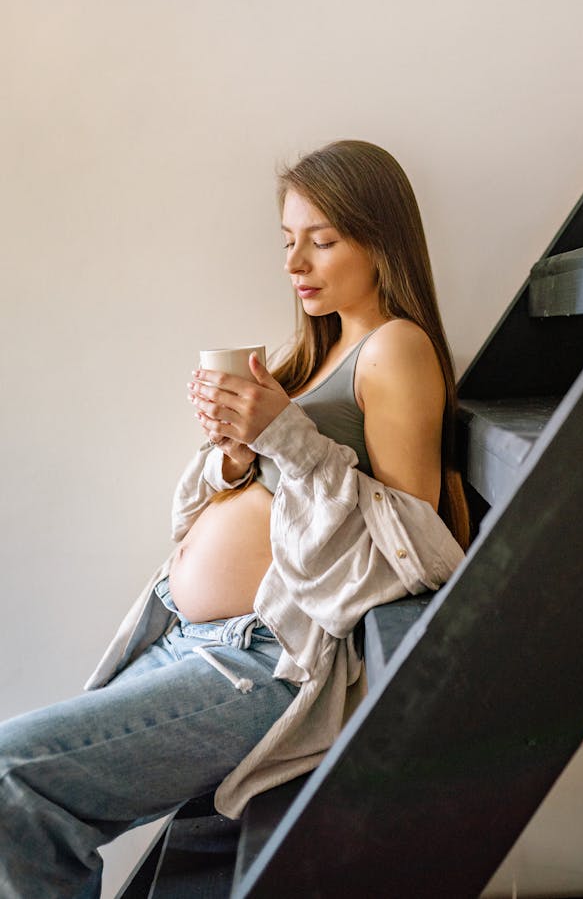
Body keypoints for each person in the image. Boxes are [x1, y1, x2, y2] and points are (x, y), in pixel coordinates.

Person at [0, 139, 469, 898]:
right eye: (289, 242)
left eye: (323, 239)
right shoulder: (313, 353)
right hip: (187, 636)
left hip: (262, 660)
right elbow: (263, 493)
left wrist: (282, 435)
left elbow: (408, 547)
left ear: (382, 238)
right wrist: (234, 453)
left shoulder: (395, 349)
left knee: (13, 775)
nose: (297, 264)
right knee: (21, 790)